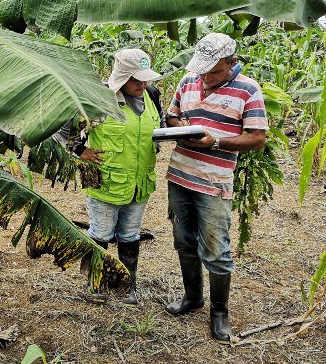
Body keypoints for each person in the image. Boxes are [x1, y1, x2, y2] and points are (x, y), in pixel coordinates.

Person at [164, 33, 268, 344]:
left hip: (214, 183)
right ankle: (192, 297)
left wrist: (217, 140)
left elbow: (257, 137)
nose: (207, 77)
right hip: (180, 176)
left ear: (232, 63)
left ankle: (219, 313)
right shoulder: (188, 81)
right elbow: (172, 113)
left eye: (216, 71)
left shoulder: (248, 90)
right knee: (183, 240)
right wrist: (178, 129)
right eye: (204, 71)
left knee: (216, 249)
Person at [74, 48, 163, 305]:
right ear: (122, 77)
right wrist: (81, 150)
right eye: (136, 80)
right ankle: (96, 283)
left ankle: (127, 286)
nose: (142, 84)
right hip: (104, 179)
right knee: (100, 232)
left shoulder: (152, 95)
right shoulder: (99, 98)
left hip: (139, 181)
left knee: (130, 234)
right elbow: (63, 125)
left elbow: (161, 125)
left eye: (145, 79)